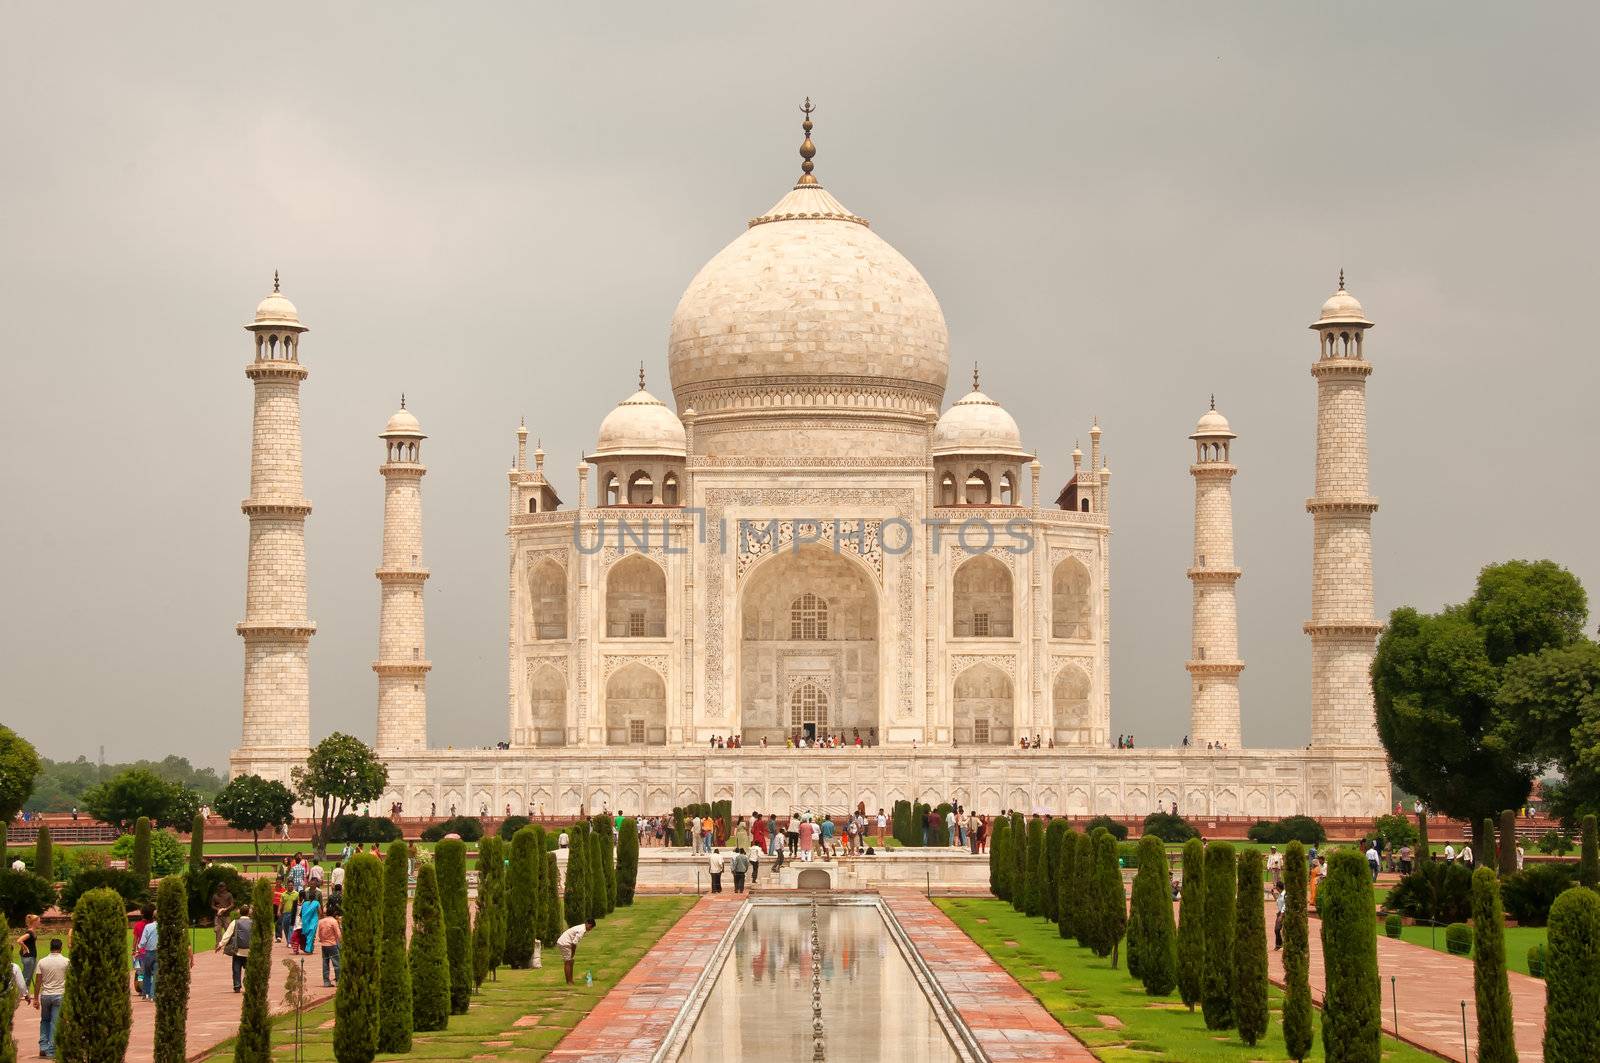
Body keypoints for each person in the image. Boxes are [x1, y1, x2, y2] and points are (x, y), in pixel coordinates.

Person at [32, 939, 68, 1058]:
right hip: (59, 994)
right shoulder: (66, 961)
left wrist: (36, 998)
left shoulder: (42, 962)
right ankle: (51, 1050)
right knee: (54, 1022)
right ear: (61, 948)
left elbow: (38, 981)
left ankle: (43, 1047)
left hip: (46, 995)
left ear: (50, 947)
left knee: (45, 1021)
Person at [217, 903, 253, 992]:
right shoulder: (253, 923)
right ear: (248, 913)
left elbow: (227, 934)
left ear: (240, 913)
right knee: (249, 969)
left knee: (236, 968)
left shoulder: (235, 922)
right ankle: (249, 984)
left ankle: (237, 986)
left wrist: (220, 944)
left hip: (237, 950)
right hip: (249, 950)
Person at [557, 918, 596, 985]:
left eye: (591, 927)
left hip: (566, 942)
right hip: (564, 943)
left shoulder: (582, 928)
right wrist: (573, 952)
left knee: (571, 961)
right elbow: (574, 943)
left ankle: (571, 980)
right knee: (568, 962)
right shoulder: (582, 930)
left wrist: (572, 954)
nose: (590, 929)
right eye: (590, 926)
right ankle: (569, 982)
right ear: (587, 923)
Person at [316, 906, 342, 985]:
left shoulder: (321, 921)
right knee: (336, 964)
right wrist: (340, 942)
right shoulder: (333, 921)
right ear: (334, 913)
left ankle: (326, 981)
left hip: (324, 945)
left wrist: (323, 940)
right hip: (332, 944)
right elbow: (338, 934)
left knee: (325, 963)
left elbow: (319, 934)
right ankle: (338, 981)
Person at [136, 909, 159, 1001]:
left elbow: (143, 941)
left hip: (148, 952)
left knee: (147, 973)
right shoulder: (163, 927)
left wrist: (138, 948)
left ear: (153, 917)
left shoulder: (148, 926)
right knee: (156, 974)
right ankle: (153, 995)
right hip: (158, 952)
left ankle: (146, 994)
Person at [18, 914, 39, 991]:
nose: (39, 923)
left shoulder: (33, 932)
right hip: (28, 957)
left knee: (29, 975)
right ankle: (22, 992)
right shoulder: (29, 933)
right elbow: (19, 940)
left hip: (32, 956)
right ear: (34, 922)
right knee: (26, 976)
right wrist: (26, 948)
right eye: (38, 921)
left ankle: (25, 991)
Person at [300, 888, 321, 955]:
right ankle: (308, 949)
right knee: (311, 935)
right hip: (313, 921)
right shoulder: (316, 903)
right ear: (315, 897)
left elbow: (301, 913)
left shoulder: (304, 903)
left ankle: (311, 949)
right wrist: (319, 918)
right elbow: (320, 912)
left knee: (308, 935)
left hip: (305, 921)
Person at [1273, 881, 1287, 950]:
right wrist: (1273, 895)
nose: (1275, 888)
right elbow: (1278, 902)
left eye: (1276, 886)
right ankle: (1279, 944)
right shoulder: (1280, 894)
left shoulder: (1284, 894)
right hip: (1279, 913)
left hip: (1283, 914)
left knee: (1278, 929)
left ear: (1278, 887)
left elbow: (1285, 905)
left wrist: (1281, 915)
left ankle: (1280, 944)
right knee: (1277, 929)